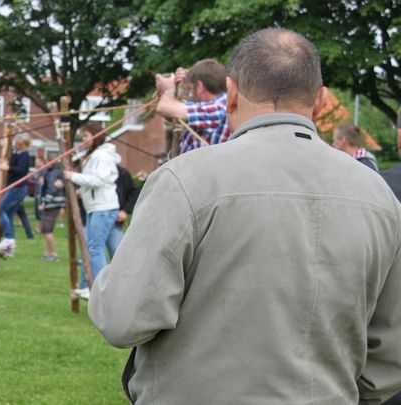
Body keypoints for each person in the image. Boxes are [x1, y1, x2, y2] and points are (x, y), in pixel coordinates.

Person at [89, 28, 401, 404]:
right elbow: (390, 352)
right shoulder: (380, 196)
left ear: (231, 93)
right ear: (319, 102)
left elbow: (123, 318)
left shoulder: (185, 180)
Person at [65, 124, 120, 300]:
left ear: (96, 136)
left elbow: (98, 181)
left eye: (86, 136)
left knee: (94, 248)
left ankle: (99, 289)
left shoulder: (102, 156)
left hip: (103, 208)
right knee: (89, 247)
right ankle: (87, 284)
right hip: (96, 207)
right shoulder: (93, 156)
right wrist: (83, 190)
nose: (83, 140)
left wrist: (72, 177)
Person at [155, 59, 230, 154]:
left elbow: (164, 107)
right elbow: (172, 114)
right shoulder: (220, 105)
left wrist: (169, 89)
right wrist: (182, 84)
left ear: (199, 87)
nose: (190, 94)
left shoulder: (218, 110)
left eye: (190, 88)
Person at [0, 133, 31, 258]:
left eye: (20, 144)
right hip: (13, 187)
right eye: (16, 143)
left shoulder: (25, 155)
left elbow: (21, 171)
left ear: (25, 145)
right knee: (9, 213)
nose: (17, 145)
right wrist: (3, 164)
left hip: (18, 188)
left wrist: (7, 167)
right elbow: (8, 165)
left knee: (2, 210)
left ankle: (9, 237)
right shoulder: (15, 154)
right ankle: (10, 242)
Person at [105, 164, 139, 258]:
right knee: (92, 253)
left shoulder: (122, 173)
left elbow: (133, 193)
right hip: (93, 221)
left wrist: (125, 210)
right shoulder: (91, 170)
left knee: (119, 255)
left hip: (115, 223)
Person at [38, 162, 65, 261]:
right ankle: (47, 252)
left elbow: (52, 189)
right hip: (56, 203)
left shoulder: (53, 173)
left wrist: (44, 203)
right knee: (46, 229)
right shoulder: (57, 172)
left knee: (47, 229)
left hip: (52, 204)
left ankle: (53, 253)